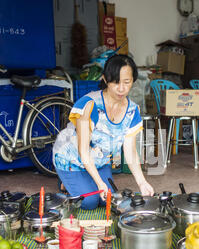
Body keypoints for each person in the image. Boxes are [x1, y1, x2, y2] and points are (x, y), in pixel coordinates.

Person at [52, 54, 154, 210]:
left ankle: (85, 182)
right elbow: (83, 150)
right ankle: (65, 181)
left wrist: (142, 182)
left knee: (108, 200)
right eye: (116, 82)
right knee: (89, 202)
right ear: (105, 79)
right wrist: (100, 183)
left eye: (127, 82)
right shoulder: (90, 105)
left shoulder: (132, 111)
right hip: (72, 159)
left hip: (99, 162)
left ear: (133, 80)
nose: (121, 88)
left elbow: (130, 151)